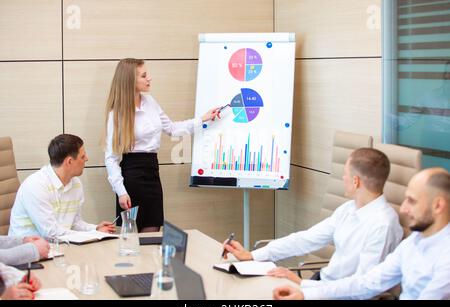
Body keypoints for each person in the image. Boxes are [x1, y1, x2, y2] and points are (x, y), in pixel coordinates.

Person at [223, 148, 403, 286]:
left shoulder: (383, 225)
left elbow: (363, 286)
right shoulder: (348, 209)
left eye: (345, 174)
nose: (343, 178)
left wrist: (303, 285)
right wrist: (252, 255)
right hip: (322, 283)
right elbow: (305, 240)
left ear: (356, 181)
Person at [273, 168, 450, 300]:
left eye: (412, 201)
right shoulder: (414, 242)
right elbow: (368, 282)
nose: (403, 209)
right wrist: (304, 291)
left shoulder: (446, 257)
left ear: (438, 206)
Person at [103, 58, 220, 232]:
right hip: (131, 178)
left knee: (153, 231)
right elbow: (111, 158)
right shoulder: (117, 113)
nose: (149, 78)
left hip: (152, 172)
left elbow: (172, 129)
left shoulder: (150, 101)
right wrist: (121, 191)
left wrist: (202, 119)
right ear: (130, 81)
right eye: (144, 75)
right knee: (131, 237)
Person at [8, 134, 116, 238]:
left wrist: (95, 229)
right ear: (69, 161)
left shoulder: (76, 184)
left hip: (58, 248)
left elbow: (74, 224)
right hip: (27, 251)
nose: (86, 159)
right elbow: (50, 233)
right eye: (82, 156)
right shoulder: (35, 186)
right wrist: (94, 234)